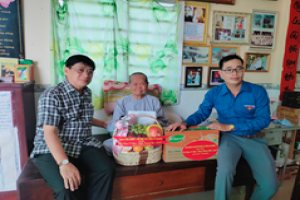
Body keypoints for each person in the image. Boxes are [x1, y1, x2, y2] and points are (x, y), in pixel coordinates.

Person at [167, 54, 278, 200]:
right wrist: (185, 123)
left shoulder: (258, 91)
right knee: (225, 171)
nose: (234, 73)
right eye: (229, 70)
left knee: (271, 186)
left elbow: (263, 120)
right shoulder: (214, 93)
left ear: (243, 71)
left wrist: (230, 126)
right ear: (220, 73)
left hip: (254, 139)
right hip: (229, 140)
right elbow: (202, 113)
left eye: (238, 69)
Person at [30, 55, 115, 200]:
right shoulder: (52, 95)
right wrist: (64, 163)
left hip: (82, 143)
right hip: (51, 147)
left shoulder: (86, 93)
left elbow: (79, 118)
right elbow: (50, 132)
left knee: (106, 170)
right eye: (80, 70)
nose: (86, 75)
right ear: (66, 70)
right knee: (66, 187)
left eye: (90, 71)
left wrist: (102, 123)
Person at [105, 72, 168, 152]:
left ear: (147, 84)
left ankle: (140, 150)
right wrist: (126, 125)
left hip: (150, 136)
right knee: (107, 145)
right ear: (129, 85)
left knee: (166, 143)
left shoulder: (154, 101)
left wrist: (154, 126)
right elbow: (116, 123)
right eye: (135, 84)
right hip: (129, 137)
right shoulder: (122, 102)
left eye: (142, 83)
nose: (139, 87)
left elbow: (164, 122)